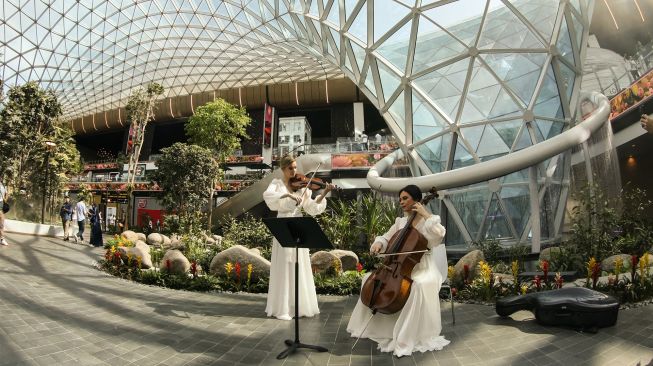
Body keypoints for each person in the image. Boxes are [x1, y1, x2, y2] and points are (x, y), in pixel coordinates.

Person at [347, 184, 449, 357]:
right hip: (399, 268)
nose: (401, 202)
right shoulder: (400, 222)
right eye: (400, 198)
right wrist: (379, 243)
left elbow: (439, 234)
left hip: (422, 268)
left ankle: (407, 334)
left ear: (416, 200)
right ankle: (380, 329)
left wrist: (425, 214)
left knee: (416, 288)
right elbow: (386, 237)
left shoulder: (429, 221)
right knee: (367, 280)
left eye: (405, 198)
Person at [262, 155, 334, 320]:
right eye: (290, 168)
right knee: (284, 265)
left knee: (299, 265)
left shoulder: (302, 187)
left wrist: (324, 192)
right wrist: (288, 196)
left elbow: (311, 208)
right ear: (283, 169)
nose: (294, 171)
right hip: (283, 225)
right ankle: (283, 309)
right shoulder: (277, 184)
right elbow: (269, 198)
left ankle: (299, 307)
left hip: (299, 226)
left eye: (295, 167)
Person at [0, 180, 8, 246]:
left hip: (1, 204)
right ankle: (2, 239)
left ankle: (2, 239)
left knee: (2, 223)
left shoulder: (4, 186)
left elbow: (7, 194)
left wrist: (5, 199)